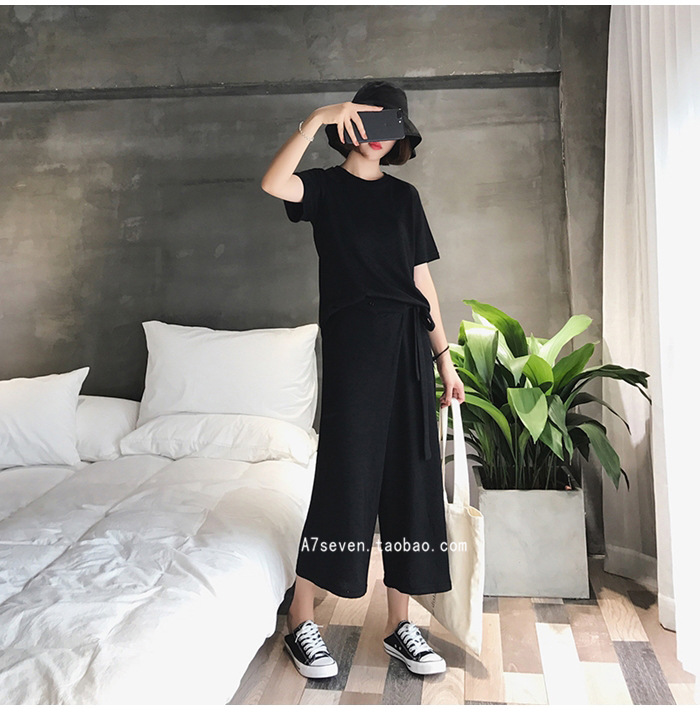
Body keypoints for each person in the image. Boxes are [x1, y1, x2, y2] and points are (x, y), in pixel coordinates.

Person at [260, 80, 465, 679]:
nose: (379, 138)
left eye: (391, 127)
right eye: (369, 123)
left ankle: (401, 625)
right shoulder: (324, 188)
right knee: (346, 479)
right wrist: (317, 116)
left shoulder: (405, 198)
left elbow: (421, 283)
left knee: (411, 480)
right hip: (354, 348)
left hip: (408, 347)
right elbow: (273, 183)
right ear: (350, 125)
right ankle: (302, 618)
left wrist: (444, 359)